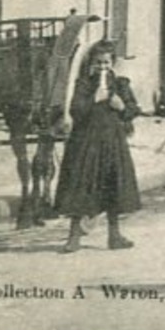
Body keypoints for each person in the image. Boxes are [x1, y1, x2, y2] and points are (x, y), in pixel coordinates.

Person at [54, 41, 142, 253]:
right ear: (92, 63)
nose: (102, 67)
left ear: (112, 63)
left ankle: (115, 235)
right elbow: (76, 111)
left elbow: (133, 109)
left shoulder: (120, 84)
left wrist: (122, 107)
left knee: (113, 187)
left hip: (112, 141)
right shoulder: (84, 84)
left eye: (106, 63)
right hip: (86, 142)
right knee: (81, 186)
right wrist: (94, 98)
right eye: (98, 63)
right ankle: (73, 237)